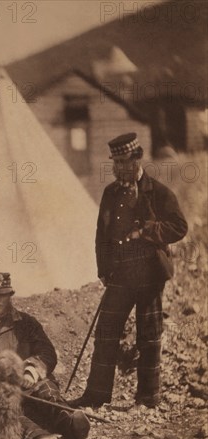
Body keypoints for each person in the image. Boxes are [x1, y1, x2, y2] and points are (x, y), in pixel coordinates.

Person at [71, 133, 188, 408]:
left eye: (126, 161)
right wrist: (103, 268)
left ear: (138, 159)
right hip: (121, 275)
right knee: (106, 331)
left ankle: (148, 398)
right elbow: (102, 234)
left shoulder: (158, 192)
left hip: (150, 274)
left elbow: (179, 227)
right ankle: (96, 395)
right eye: (116, 163)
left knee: (148, 335)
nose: (121, 167)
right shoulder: (110, 193)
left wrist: (148, 230)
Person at [0, 272, 90, 439]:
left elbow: (47, 352)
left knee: (48, 392)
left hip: (31, 383)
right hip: (0, 391)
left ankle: (72, 423)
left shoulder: (26, 323)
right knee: (6, 410)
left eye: (3, 295)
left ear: (10, 296)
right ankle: (41, 438)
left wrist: (31, 371)